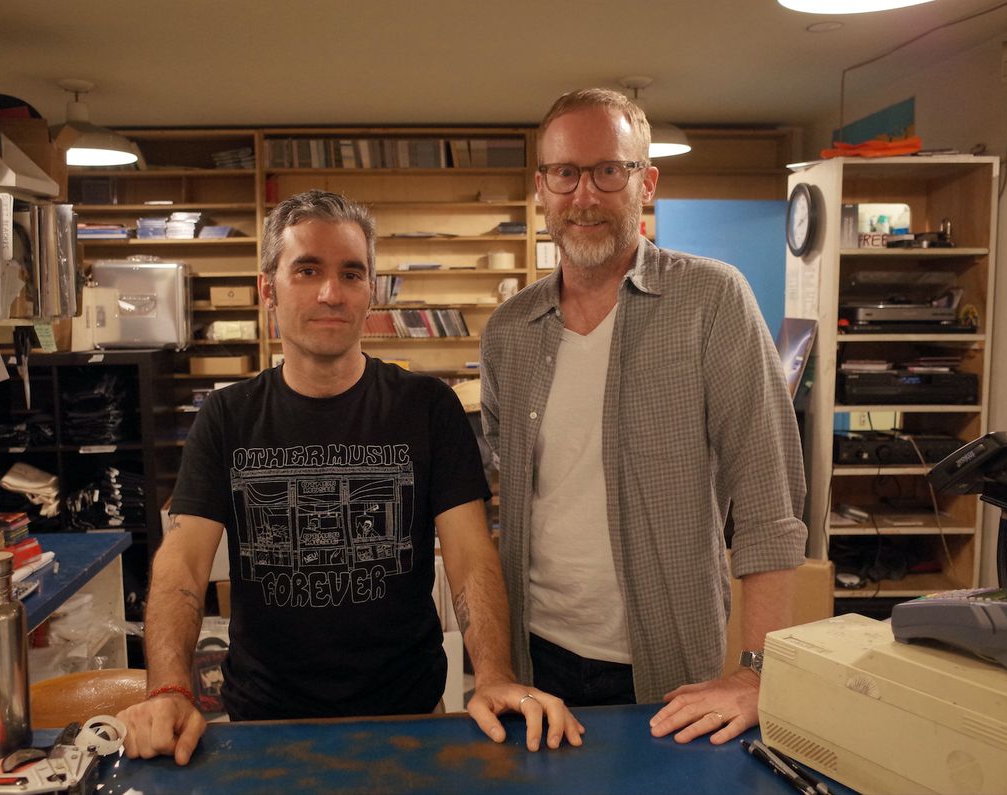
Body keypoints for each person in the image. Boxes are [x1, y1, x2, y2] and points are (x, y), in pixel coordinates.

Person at [118, 190, 581, 765]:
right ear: (268, 289)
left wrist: (493, 676)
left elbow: (470, 556)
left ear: (372, 292)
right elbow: (182, 565)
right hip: (263, 729)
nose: (330, 293)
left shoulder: (428, 407)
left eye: (351, 273)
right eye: (307, 270)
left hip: (411, 722)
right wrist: (167, 689)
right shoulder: (227, 415)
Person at [480, 89, 807, 745]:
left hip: (667, 668)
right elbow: (500, 497)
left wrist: (756, 671)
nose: (585, 195)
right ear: (541, 187)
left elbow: (769, 498)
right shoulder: (508, 331)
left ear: (645, 182)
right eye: (565, 173)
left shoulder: (713, 300)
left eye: (610, 170)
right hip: (535, 658)